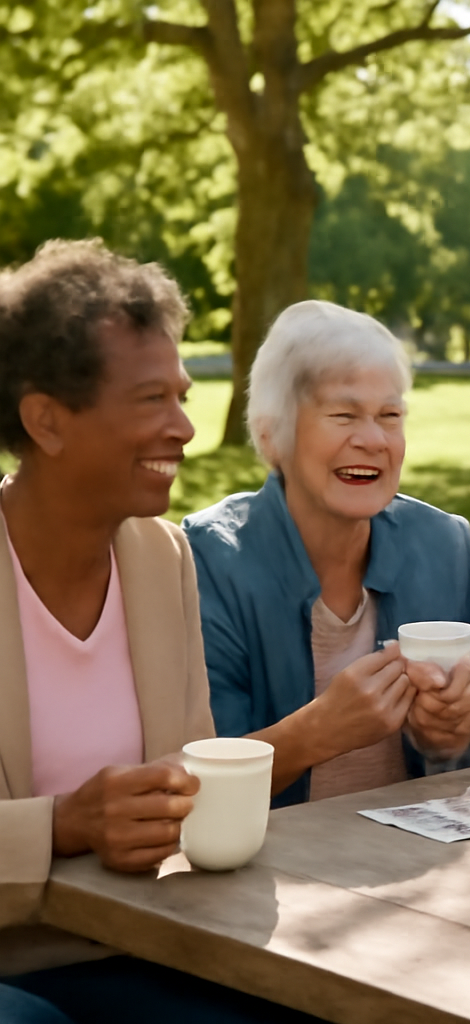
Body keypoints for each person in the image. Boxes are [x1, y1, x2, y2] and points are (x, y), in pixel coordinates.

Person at [0, 240, 318, 1021]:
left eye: (181, 395)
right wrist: (65, 825)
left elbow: (188, 768)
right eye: (151, 401)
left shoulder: (161, 554)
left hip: (143, 940)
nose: (183, 427)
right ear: (46, 419)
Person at [183, 301, 470, 809]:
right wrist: (319, 731)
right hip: (270, 876)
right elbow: (196, 781)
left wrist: (450, 735)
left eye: (389, 416)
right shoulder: (207, 560)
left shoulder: (447, 546)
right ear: (271, 436)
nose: (373, 440)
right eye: (344, 415)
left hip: (426, 868)